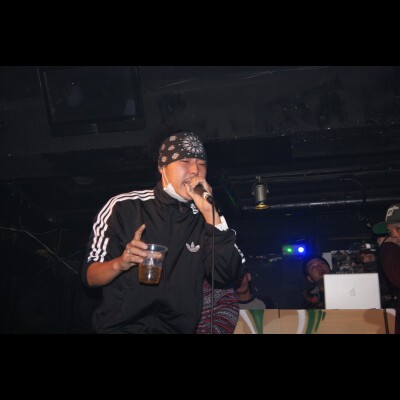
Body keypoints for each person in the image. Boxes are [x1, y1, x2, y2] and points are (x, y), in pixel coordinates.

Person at [81, 131, 245, 334]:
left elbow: (227, 273)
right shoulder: (125, 207)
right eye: (185, 161)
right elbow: (90, 276)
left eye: (201, 164)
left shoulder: (206, 218)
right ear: (162, 167)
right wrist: (121, 263)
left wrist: (211, 215)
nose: (195, 170)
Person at [373, 203, 400, 334]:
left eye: (398, 228)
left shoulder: (390, 249)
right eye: (390, 232)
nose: (394, 235)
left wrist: (387, 246)